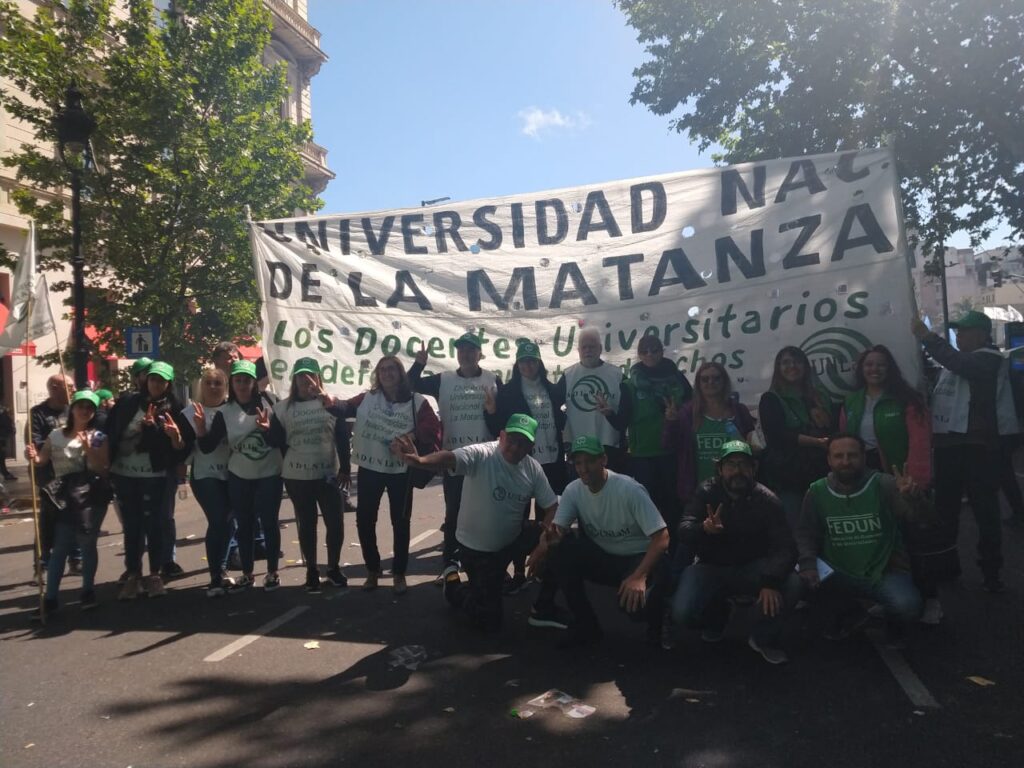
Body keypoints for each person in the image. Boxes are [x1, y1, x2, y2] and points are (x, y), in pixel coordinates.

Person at [395, 414, 568, 632]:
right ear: (501, 436)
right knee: (487, 621)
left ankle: (543, 607)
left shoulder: (532, 468)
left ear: (531, 446)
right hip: (478, 550)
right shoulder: (482, 453)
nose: (515, 447)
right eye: (512, 439)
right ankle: (453, 584)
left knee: (563, 542)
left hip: (513, 538)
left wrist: (544, 543)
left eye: (523, 443)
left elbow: (552, 506)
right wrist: (420, 461)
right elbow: (450, 457)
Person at [670, 440, 800, 664]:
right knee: (682, 612)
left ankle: (762, 637)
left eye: (744, 464)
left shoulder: (767, 500)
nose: (737, 471)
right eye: (731, 465)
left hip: (754, 568)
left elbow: (786, 546)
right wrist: (704, 528)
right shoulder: (705, 492)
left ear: (754, 469)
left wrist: (771, 582)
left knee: (794, 584)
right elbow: (683, 530)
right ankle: (718, 617)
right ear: (720, 469)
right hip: (711, 567)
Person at [912, 312, 1015, 593]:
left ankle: (991, 571)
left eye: (966, 331)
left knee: (985, 511)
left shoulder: (989, 358)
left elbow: (960, 363)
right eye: (958, 332)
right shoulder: (955, 365)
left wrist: (927, 337)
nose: (960, 336)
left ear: (983, 334)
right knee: (945, 511)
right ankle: (947, 565)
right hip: (948, 446)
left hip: (978, 448)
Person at [536, 436, 670, 648]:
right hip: (606, 557)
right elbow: (557, 531)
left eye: (589, 461)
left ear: (603, 460)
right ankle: (587, 626)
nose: (583, 469)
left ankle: (661, 618)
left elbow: (662, 538)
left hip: (640, 558)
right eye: (578, 463)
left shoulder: (629, 489)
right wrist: (546, 544)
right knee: (560, 553)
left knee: (635, 608)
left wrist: (639, 576)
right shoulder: (573, 490)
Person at [839, 344, 939, 622]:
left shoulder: (908, 400)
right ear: (861, 369)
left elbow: (920, 443)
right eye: (869, 364)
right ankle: (889, 598)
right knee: (882, 541)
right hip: (865, 479)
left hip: (901, 479)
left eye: (880, 364)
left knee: (913, 540)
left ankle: (931, 600)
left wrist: (917, 481)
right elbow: (846, 440)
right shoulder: (852, 401)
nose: (874, 369)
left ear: (890, 368)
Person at [796, 434, 922, 646]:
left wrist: (916, 500)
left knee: (907, 606)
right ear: (829, 460)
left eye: (852, 455)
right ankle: (851, 613)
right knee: (798, 574)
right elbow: (806, 533)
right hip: (839, 573)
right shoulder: (817, 490)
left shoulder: (885, 484)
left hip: (883, 572)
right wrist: (808, 564)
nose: (845, 461)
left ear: (864, 457)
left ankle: (891, 621)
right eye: (839, 456)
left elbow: (922, 520)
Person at [338, 356, 440, 593]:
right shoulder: (368, 398)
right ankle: (373, 570)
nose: (387, 373)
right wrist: (326, 400)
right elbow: (344, 408)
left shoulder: (417, 401)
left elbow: (432, 428)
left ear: (401, 373)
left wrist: (411, 438)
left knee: (400, 521)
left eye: (392, 369)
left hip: (400, 470)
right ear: (377, 374)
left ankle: (399, 573)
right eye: (382, 370)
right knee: (364, 520)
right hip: (370, 467)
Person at [410, 332, 500, 578]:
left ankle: (487, 563)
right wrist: (419, 363)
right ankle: (450, 564)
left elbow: (500, 422)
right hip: (455, 459)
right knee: (454, 514)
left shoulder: (493, 380)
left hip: (485, 460)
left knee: (487, 513)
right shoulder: (444, 379)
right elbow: (410, 384)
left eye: (471, 350)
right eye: (461, 350)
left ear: (479, 353)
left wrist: (492, 412)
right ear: (457, 354)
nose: (466, 354)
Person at [483, 341, 566, 593]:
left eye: (532, 361)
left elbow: (562, 418)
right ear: (517, 365)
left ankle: (541, 567)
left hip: (551, 461)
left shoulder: (552, 390)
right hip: (521, 462)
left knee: (546, 519)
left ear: (539, 363)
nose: (528, 366)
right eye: (523, 361)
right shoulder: (507, 392)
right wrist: (491, 411)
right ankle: (518, 570)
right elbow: (498, 426)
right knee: (516, 519)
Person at [106, 362, 192, 600]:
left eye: (161, 380)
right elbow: (111, 431)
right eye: (153, 379)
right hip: (125, 474)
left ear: (168, 384)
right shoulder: (128, 403)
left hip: (156, 476)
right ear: (146, 380)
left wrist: (161, 433)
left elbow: (179, 448)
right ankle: (133, 574)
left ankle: (154, 574)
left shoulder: (174, 408)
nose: (156, 384)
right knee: (132, 527)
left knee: (155, 526)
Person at [195, 360, 283, 592]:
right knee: (244, 525)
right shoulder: (225, 412)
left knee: (269, 522)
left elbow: (280, 441)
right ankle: (247, 573)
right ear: (232, 384)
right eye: (238, 380)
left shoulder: (270, 403)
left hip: (269, 473)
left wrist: (267, 430)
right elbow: (207, 447)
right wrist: (201, 429)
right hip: (240, 476)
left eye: (247, 380)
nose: (243, 385)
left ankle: (272, 572)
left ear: (254, 382)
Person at [266, 358, 351, 593]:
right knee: (307, 524)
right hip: (297, 476)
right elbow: (276, 442)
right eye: (301, 376)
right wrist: (266, 429)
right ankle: (312, 570)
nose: (306, 380)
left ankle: (332, 568)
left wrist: (345, 468)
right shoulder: (282, 408)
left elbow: (342, 437)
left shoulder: (331, 403)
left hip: (328, 474)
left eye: (311, 375)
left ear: (319, 378)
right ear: (294, 380)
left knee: (335, 522)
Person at [26, 390, 110, 616]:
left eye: (89, 407)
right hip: (63, 497)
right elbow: (42, 461)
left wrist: (87, 450)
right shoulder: (55, 435)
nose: (84, 410)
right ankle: (50, 598)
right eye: (80, 406)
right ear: (72, 408)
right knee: (60, 546)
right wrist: (32, 455)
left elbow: (102, 468)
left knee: (86, 543)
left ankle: (87, 591)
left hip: (91, 497)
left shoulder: (98, 437)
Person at [614, 334, 692, 528]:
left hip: (673, 453)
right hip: (643, 457)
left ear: (662, 351)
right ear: (639, 354)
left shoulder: (677, 379)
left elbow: (693, 409)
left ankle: (675, 554)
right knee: (648, 509)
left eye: (654, 350)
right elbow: (621, 422)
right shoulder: (629, 386)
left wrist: (677, 416)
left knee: (674, 507)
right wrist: (608, 414)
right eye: (644, 351)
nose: (650, 354)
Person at [663, 362, 755, 515]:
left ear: (724, 381)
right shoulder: (687, 413)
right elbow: (669, 445)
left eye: (716, 378)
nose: (710, 382)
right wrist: (671, 423)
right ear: (698, 384)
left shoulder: (739, 411)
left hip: (736, 489)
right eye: (705, 379)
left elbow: (753, 446)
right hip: (698, 492)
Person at [757, 346, 833, 528]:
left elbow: (831, 429)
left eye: (797, 361)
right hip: (789, 477)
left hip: (822, 472)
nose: (792, 366)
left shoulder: (820, 396)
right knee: (797, 529)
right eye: (786, 362)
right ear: (778, 368)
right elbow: (776, 436)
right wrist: (815, 442)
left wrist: (823, 417)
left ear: (806, 366)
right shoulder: (770, 399)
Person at [180, 368, 235, 597]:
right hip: (205, 475)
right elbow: (183, 448)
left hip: (233, 473)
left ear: (225, 387)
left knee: (230, 522)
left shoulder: (233, 410)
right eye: (209, 383)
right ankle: (215, 576)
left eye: (218, 383)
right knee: (218, 519)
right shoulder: (189, 412)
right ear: (201, 385)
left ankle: (221, 569)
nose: (213, 387)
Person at [555, 328, 629, 473]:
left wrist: (612, 415)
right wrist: (566, 421)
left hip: (609, 446)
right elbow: (553, 406)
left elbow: (627, 413)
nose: (588, 350)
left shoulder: (617, 375)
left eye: (592, 346)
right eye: (584, 347)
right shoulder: (568, 375)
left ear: (600, 349)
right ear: (578, 350)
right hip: (579, 447)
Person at [27, 373, 73, 578]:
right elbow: (35, 443)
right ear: (55, 387)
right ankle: (42, 562)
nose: (73, 390)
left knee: (75, 515)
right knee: (48, 518)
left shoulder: (73, 410)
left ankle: (76, 558)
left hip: (71, 470)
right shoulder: (37, 413)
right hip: (48, 475)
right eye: (68, 386)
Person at [0, 402, 16, 481]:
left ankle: (5, 473)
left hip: (2, 438)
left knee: (2, 457)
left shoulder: (3, 411)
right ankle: (6, 474)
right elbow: (6, 424)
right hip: (2, 438)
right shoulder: (2, 412)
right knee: (2, 456)